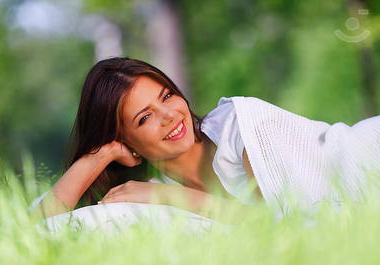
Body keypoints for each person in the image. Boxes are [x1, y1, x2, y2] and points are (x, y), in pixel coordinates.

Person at [30, 56, 380, 227]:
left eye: (166, 97)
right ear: (126, 140)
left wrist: (171, 196)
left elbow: (284, 227)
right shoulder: (150, 189)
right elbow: (37, 227)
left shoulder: (239, 125)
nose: (169, 116)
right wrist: (99, 155)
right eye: (144, 117)